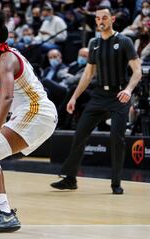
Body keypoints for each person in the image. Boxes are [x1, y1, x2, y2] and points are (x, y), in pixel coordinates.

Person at [0, 8, 57, 234]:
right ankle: (0, 211)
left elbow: (7, 97)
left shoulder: (5, 61)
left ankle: (5, 214)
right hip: (34, 114)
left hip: (37, 112)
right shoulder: (7, 55)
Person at [51, 6, 142, 195]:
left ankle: (116, 183)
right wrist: (74, 97)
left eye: (105, 18)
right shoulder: (94, 44)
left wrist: (128, 89)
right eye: (98, 18)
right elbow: (87, 74)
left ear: (113, 19)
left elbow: (137, 71)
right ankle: (70, 179)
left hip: (119, 96)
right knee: (80, 133)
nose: (101, 21)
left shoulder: (124, 41)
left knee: (117, 139)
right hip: (99, 95)